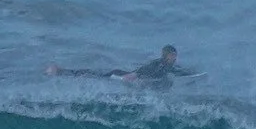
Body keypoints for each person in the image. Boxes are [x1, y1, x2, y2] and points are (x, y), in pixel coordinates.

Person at [44, 45, 198, 82]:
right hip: (120, 75)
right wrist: (131, 77)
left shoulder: (168, 66)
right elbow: (143, 70)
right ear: (166, 56)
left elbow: (178, 71)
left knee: (95, 74)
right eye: (173, 56)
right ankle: (60, 71)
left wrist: (195, 74)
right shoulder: (157, 64)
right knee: (93, 75)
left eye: (175, 56)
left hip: (127, 75)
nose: (175, 59)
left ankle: (60, 70)